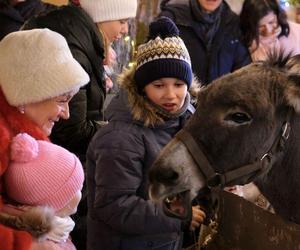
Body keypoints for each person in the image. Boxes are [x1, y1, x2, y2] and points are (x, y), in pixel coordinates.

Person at [86, 17, 206, 250]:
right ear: (141, 87)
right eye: (159, 85)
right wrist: (179, 214)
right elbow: (114, 205)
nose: (171, 95)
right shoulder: (120, 138)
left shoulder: (186, 122)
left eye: (179, 84)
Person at [0, 28, 88, 250]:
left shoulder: (25, 132)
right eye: (62, 100)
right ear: (26, 95)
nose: (66, 114)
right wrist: (25, 244)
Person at [22, 0, 137, 163]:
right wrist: (121, 134)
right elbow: (71, 131)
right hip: (60, 162)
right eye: (122, 21)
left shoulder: (77, 38)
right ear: (103, 14)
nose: (125, 30)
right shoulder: (75, 50)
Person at [1, 132, 84, 250]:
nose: (82, 187)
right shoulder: (47, 246)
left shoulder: (58, 228)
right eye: (77, 186)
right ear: (57, 201)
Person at [159, 0, 251, 85]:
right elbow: (157, 69)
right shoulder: (171, 18)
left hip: (219, 100)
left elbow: (242, 70)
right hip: (181, 100)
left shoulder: (233, 22)